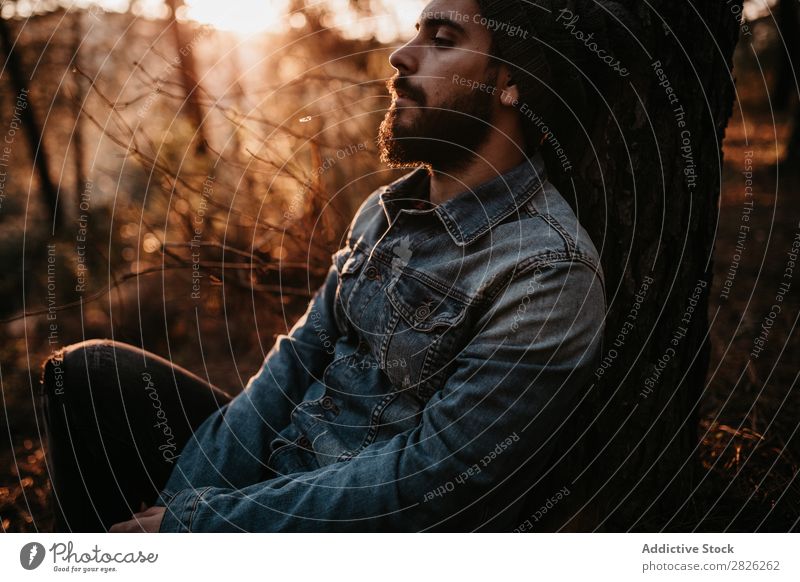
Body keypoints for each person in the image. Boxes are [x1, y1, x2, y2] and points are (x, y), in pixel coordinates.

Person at [39, 0, 615, 532]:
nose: (400, 54)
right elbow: (294, 361)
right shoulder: (383, 211)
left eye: (441, 39)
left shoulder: (548, 272)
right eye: (414, 30)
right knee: (88, 375)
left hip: (355, 529)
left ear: (510, 82)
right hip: (278, 467)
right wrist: (185, 502)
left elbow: (430, 484)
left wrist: (200, 529)